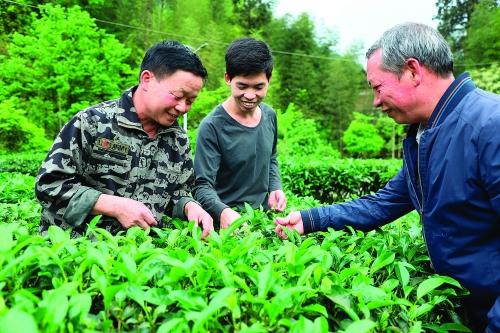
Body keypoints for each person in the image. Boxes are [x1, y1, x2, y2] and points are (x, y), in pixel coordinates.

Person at [274, 23, 499, 332]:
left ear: (413, 71)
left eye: (377, 87)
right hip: (466, 313)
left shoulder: (489, 125)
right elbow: (384, 203)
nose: (375, 102)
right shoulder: (425, 134)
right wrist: (311, 219)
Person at [35, 40, 214, 238]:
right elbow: (49, 186)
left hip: (138, 256)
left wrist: (189, 206)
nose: (183, 108)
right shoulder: (92, 122)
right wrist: (112, 205)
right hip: (78, 251)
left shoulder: (177, 140)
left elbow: (179, 192)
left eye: (190, 100)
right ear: (147, 79)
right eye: (178, 96)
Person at [194, 38, 286, 229]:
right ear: (228, 78)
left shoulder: (269, 115)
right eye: (242, 86)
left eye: (259, 87)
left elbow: (271, 158)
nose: (251, 95)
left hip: (263, 220)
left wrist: (275, 187)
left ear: (269, 79)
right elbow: (201, 186)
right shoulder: (212, 126)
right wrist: (223, 212)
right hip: (227, 226)